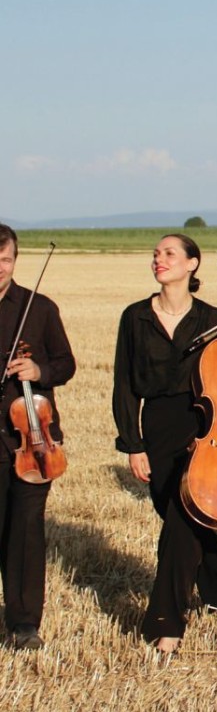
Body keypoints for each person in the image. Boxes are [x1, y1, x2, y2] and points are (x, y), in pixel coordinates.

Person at [113, 233, 217, 653]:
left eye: (169, 254)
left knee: (181, 519)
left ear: (192, 264)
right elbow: (123, 387)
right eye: (155, 254)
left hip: (202, 427)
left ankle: (165, 622)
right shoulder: (134, 317)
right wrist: (133, 444)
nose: (159, 260)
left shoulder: (214, 317)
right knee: (187, 518)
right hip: (155, 426)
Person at [0, 225, 76, 650]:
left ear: (15, 259)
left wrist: (39, 372)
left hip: (33, 441)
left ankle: (24, 623)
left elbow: (65, 364)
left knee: (27, 533)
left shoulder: (39, 308)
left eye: (6, 259)